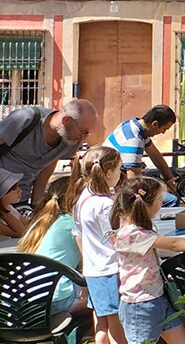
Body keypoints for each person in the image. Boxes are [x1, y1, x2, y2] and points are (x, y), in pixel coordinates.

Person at [111, 177, 185, 344]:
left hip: (158, 298)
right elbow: (174, 244)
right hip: (140, 305)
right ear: (146, 205)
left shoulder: (139, 230)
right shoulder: (132, 234)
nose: (161, 204)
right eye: (159, 200)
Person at [71, 146, 125, 344]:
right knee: (116, 324)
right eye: (120, 169)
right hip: (109, 269)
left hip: (94, 270)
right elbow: (116, 239)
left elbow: (78, 235)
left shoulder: (82, 197)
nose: (121, 174)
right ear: (109, 172)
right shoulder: (104, 204)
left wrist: (87, 262)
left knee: (101, 322)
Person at [0, 99, 93, 208]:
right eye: (83, 131)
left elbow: (46, 169)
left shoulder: (70, 140)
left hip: (20, 199)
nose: (85, 138)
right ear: (66, 120)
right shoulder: (25, 119)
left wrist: (36, 206)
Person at [17, 177, 86, 315]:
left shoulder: (39, 222)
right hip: (55, 300)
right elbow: (91, 262)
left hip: (25, 298)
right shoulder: (73, 225)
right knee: (106, 292)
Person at [102, 105, 178, 187]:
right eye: (164, 129)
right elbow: (134, 180)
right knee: (171, 199)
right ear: (155, 124)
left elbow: (155, 155)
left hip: (113, 177)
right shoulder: (134, 140)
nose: (163, 133)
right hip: (110, 182)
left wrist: (170, 179)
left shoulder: (132, 125)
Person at [0, 168, 27, 237]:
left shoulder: (8, 207)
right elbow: (21, 232)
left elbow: (29, 223)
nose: (20, 191)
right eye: (14, 189)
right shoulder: (4, 211)